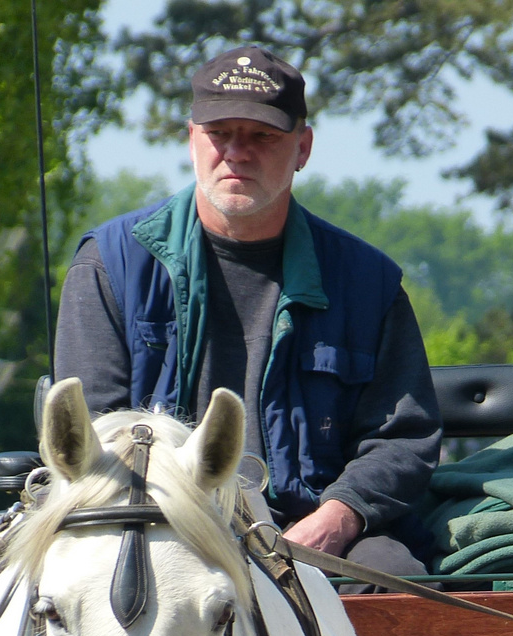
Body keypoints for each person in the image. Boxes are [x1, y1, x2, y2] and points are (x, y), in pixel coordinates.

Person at [54, 46, 441, 575]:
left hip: (312, 535)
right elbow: (95, 429)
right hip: (153, 524)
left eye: (263, 136)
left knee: (397, 582)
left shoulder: (369, 282)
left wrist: (340, 515)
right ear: (191, 139)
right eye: (220, 134)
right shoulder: (110, 264)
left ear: (302, 148)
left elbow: (402, 439)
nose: (238, 152)